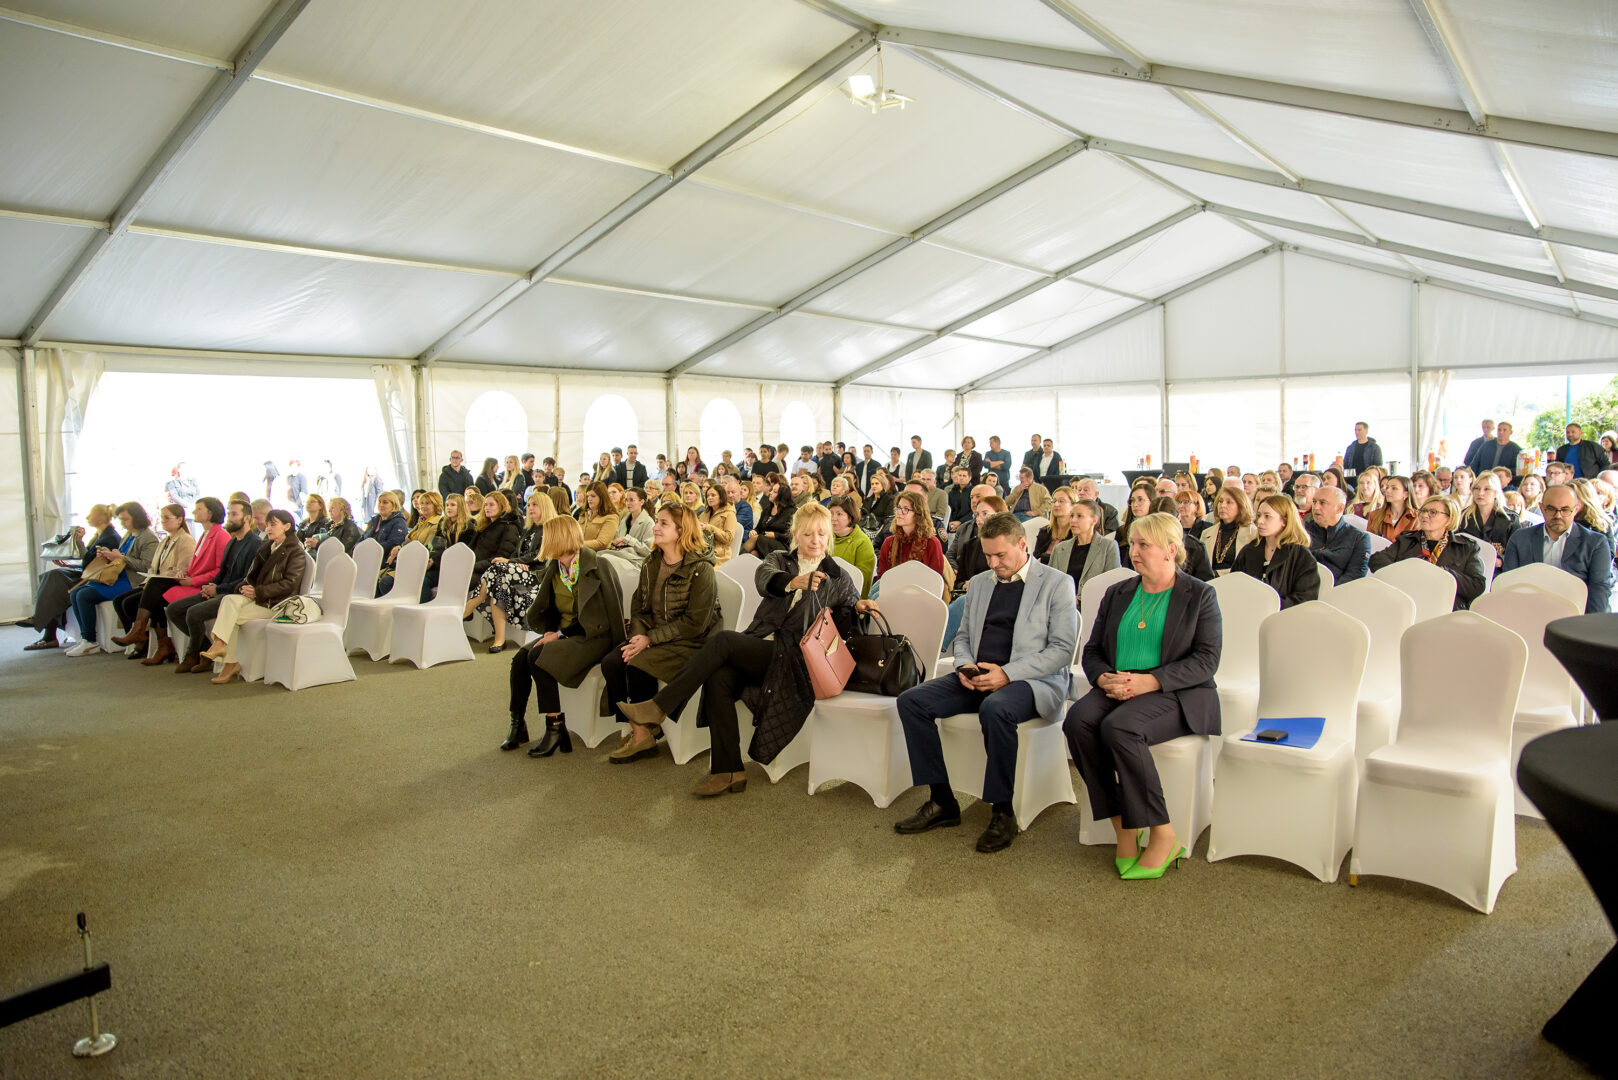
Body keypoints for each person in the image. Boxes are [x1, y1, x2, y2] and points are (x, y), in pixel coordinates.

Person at [615, 503, 872, 795]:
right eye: (809, 534)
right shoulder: (778, 559)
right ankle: (729, 771)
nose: (816, 541)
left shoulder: (838, 577)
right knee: (718, 678)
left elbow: (847, 626)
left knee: (724, 640)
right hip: (763, 648)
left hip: (797, 660)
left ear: (829, 538)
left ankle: (659, 707)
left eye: (822, 535)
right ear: (796, 536)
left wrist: (859, 609)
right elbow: (764, 580)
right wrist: (792, 582)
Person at [893, 512, 1077, 853]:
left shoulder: (1056, 583)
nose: (993, 563)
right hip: (978, 675)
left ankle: (1002, 809)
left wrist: (1007, 674)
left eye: (1001, 555)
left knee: (996, 708)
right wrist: (964, 666)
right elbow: (962, 637)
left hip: (1030, 680)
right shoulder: (979, 583)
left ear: (1023, 545)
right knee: (911, 701)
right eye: (988, 555)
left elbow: (1062, 651)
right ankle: (942, 800)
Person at [1064, 512, 1221, 879]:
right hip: (1118, 684)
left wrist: (1150, 682)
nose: (1133, 551)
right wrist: (1104, 678)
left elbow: (1206, 660)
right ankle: (1124, 828)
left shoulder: (1199, 594)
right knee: (1078, 722)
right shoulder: (1118, 593)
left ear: (1170, 550)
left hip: (1176, 692)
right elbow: (1093, 650)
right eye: (1132, 543)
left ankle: (1163, 834)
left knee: (1120, 728)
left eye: (1143, 545)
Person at [599, 501, 724, 759]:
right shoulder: (653, 562)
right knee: (612, 662)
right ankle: (640, 730)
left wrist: (649, 639)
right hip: (656, 636)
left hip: (692, 642)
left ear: (681, 530)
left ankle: (643, 737)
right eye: (656, 521)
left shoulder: (701, 569)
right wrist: (637, 635)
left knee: (637, 663)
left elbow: (695, 624)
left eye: (663, 523)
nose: (655, 527)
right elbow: (639, 606)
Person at [502, 516, 626, 757]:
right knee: (519, 660)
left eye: (548, 536)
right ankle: (518, 725)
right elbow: (548, 607)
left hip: (593, 638)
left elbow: (608, 613)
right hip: (566, 634)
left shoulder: (599, 566)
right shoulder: (555, 568)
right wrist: (551, 630)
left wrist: (559, 635)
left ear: (559, 538)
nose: (544, 541)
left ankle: (555, 728)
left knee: (539, 656)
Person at [194, 510, 305, 684]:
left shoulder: (295, 552)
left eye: (273, 524)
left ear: (287, 526)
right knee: (229, 600)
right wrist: (246, 587)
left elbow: (289, 584)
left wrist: (258, 591)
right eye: (267, 524)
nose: (268, 528)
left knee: (229, 615)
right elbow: (251, 575)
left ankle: (228, 659)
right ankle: (221, 646)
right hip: (260, 598)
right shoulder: (267, 547)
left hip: (276, 604)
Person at [168, 499, 264, 672]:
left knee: (193, 613)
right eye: (229, 513)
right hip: (220, 590)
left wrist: (217, 589)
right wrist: (210, 586)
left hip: (234, 595)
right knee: (174, 609)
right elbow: (222, 572)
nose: (230, 518)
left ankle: (193, 655)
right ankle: (205, 648)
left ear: (246, 518)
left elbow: (247, 579)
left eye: (234, 514)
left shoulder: (255, 544)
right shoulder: (233, 542)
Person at [134, 498, 230, 666]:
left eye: (199, 509)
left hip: (202, 586)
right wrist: (185, 573)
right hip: (193, 582)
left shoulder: (220, 536)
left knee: (157, 593)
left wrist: (193, 579)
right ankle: (151, 637)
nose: (194, 512)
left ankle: (143, 632)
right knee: (155, 593)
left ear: (210, 513)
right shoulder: (204, 535)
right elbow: (196, 565)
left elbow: (219, 570)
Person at [64, 503, 160, 657]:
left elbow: (147, 566)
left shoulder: (148, 538)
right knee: (76, 593)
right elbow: (121, 557)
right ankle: (85, 638)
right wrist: (109, 554)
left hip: (131, 580)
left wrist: (121, 557)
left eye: (125, 519)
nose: (122, 523)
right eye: (121, 520)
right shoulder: (129, 534)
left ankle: (90, 640)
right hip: (119, 577)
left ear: (136, 518)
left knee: (83, 595)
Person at [21, 504, 120, 651]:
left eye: (91, 514)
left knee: (54, 580)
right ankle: (46, 629)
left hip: (96, 576)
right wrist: (70, 564)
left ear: (101, 518)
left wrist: (79, 543)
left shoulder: (110, 537)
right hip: (88, 572)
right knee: (50, 577)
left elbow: (92, 562)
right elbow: (88, 560)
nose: (87, 517)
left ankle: (43, 625)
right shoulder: (100, 535)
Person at [1502, 484, 1613, 614]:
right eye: (1551, 509)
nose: (1558, 515)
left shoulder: (1595, 543)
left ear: (1576, 510)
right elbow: (1509, 582)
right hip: (1528, 611)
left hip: (1575, 615)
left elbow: (1599, 588)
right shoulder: (1520, 538)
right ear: (1541, 509)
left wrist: (1589, 625)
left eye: (1565, 510)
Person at [1368, 495, 1486, 610]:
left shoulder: (1466, 547)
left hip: (1447, 608)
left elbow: (1477, 587)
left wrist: (1443, 574)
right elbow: (1376, 561)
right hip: (1408, 604)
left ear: (1449, 519)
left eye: (1433, 512)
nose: (1425, 515)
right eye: (1423, 511)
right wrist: (1409, 571)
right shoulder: (1407, 540)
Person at [111, 504, 195, 655]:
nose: (163, 521)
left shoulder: (186, 540)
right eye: (161, 518)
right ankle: (145, 638)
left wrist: (158, 577)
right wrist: (147, 582)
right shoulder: (164, 541)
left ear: (179, 519)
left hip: (175, 584)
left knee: (153, 595)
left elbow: (184, 569)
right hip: (159, 583)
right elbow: (153, 568)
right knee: (123, 601)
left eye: (167, 518)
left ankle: (146, 636)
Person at [1232, 494, 1320, 608]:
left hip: (1285, 618)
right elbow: (1235, 585)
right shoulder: (1249, 550)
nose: (1260, 521)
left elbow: (1305, 598)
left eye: (1267, 516)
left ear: (1284, 520)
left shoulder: (1301, 555)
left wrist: (1268, 606)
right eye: (1259, 515)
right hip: (1248, 614)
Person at [1047, 498, 1121, 609]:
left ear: (1094, 520)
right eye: (1072, 516)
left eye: (1079, 516)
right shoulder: (1060, 548)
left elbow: (1112, 584)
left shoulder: (1108, 546)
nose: (1073, 520)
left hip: (1094, 607)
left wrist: (1080, 598)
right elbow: (1051, 582)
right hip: (1062, 606)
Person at [875, 490, 945, 595]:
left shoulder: (932, 543)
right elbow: (882, 578)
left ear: (918, 514)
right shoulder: (889, 542)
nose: (899, 512)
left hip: (921, 595)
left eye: (906, 509)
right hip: (892, 592)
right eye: (898, 508)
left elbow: (935, 582)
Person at [1304, 485, 1372, 585]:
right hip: (1304, 592)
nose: (1316, 507)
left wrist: (1329, 593)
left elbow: (1354, 575)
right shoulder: (1301, 531)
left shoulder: (1359, 538)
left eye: (1323, 503)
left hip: (1339, 594)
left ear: (1339, 508)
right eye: (1314, 502)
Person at [1455, 472, 1518, 572]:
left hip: (1498, 572)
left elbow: (1517, 551)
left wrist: (1501, 561)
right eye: (1477, 488)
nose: (1480, 493)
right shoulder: (1462, 516)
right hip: (1468, 571)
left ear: (1496, 493)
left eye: (1486, 489)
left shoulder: (1511, 519)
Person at [828, 495, 875, 598]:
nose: (833, 518)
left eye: (839, 514)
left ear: (850, 517)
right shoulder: (826, 538)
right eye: (831, 513)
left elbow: (862, 579)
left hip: (849, 596)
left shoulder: (862, 542)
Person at [750, 474, 796, 557]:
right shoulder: (768, 508)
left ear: (781, 495)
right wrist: (754, 531)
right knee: (753, 554)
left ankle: (735, 558)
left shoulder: (791, 512)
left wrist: (775, 535)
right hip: (764, 542)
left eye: (774, 492)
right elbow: (758, 527)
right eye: (772, 490)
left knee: (757, 538)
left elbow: (791, 536)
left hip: (781, 544)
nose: (770, 493)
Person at [698, 482, 737, 565]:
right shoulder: (704, 513)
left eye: (713, 495)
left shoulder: (729, 514)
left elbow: (728, 538)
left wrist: (710, 528)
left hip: (719, 553)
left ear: (721, 498)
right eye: (708, 495)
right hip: (703, 549)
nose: (709, 498)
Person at [1369, 475, 1417, 542]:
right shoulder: (1374, 515)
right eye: (1387, 487)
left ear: (1406, 494)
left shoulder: (1417, 518)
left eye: (1394, 488)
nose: (1387, 491)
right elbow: (1370, 542)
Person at [1035, 486, 1075, 561]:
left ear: (1073, 505)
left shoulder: (1075, 533)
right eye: (1053, 501)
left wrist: (1043, 558)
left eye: (1061, 501)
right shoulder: (1045, 531)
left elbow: (1066, 561)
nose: (1056, 504)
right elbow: (1035, 558)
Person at [577, 482, 619, 552]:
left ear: (602, 497)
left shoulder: (611, 517)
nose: (589, 499)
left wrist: (577, 545)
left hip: (598, 557)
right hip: (579, 553)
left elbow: (602, 543)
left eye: (593, 496)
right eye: (587, 496)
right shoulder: (584, 514)